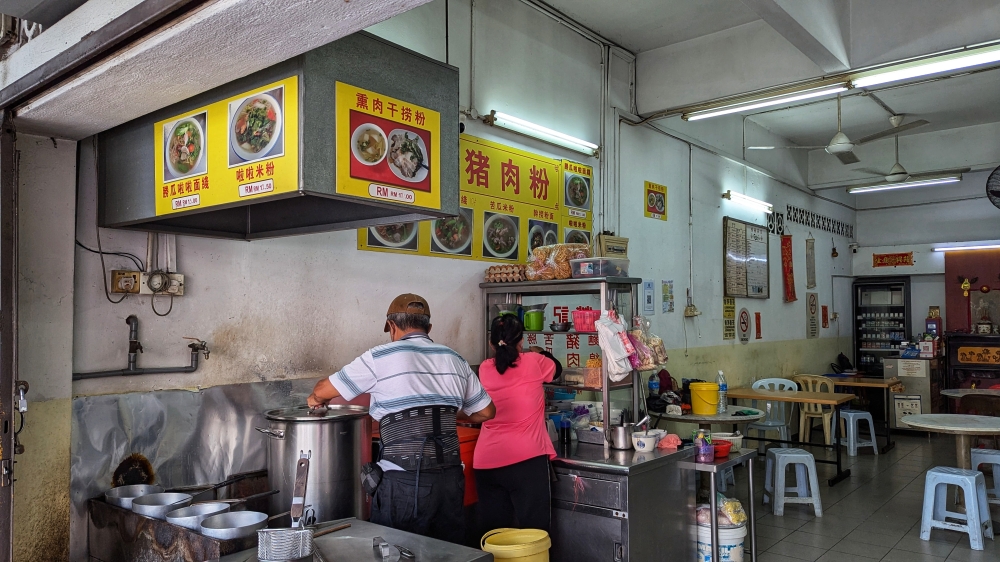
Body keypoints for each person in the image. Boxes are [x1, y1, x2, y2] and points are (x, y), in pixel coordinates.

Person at [307, 293, 495, 543]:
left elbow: (323, 389)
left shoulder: (379, 357)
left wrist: (316, 399)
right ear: (429, 328)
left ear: (392, 326)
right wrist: (445, 412)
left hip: (404, 483)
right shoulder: (455, 359)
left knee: (398, 552)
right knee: (449, 553)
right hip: (450, 481)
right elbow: (486, 412)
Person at [473, 314, 561, 533]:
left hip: (487, 462)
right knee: (535, 535)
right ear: (521, 341)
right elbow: (557, 370)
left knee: (494, 536)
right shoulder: (534, 361)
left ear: (491, 343)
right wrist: (541, 353)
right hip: (527, 462)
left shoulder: (484, 368)